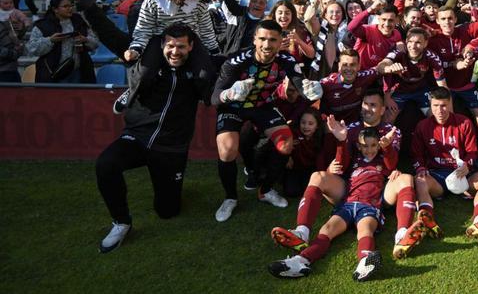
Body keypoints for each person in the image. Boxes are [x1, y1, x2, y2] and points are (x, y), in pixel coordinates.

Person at [95, 24, 214, 253]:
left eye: (181, 46)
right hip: (137, 137)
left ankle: (170, 187)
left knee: (168, 211)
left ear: (191, 47)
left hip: (171, 149)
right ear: (162, 45)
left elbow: (219, 82)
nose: (175, 51)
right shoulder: (147, 66)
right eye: (170, 45)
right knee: (106, 164)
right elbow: (112, 36)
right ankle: (121, 222)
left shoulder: (198, 72)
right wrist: (86, 4)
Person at [212, 19, 323, 222]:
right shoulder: (237, 60)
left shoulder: (286, 59)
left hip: (262, 105)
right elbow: (214, 97)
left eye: (272, 39)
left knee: (285, 143)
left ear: (281, 40)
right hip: (233, 107)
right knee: (228, 149)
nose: (266, 44)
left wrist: (308, 88)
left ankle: (266, 190)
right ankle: (230, 198)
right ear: (254, 39)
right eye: (262, 39)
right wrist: (230, 93)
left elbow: (299, 82)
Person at [267, 126, 391, 281]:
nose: (369, 149)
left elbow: (391, 163)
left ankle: (365, 261)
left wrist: (389, 148)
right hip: (347, 203)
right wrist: (341, 141)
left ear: (379, 145)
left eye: (373, 145)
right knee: (326, 230)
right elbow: (340, 162)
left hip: (369, 205)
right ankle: (299, 261)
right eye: (364, 145)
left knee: (365, 230)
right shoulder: (354, 159)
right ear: (358, 146)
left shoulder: (382, 161)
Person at [412, 87, 478, 238]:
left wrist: (467, 165)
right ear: (430, 105)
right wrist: (420, 168)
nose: (440, 110)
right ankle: (426, 220)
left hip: (462, 175)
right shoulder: (423, 126)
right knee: (420, 180)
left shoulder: (464, 122)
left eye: (443, 105)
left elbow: (472, 151)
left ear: (450, 104)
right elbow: (416, 155)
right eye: (435, 106)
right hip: (437, 178)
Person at [126, 0, 220, 61]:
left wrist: (214, 51)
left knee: (205, 74)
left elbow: (206, 29)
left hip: (190, 43)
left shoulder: (199, 2)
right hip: (161, 43)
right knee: (144, 74)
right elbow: (144, 27)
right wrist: (136, 49)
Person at [27, 0, 98, 83]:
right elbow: (32, 48)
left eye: (71, 5)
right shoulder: (43, 25)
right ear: (55, 9)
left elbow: (95, 42)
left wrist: (85, 40)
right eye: (65, 6)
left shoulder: (79, 21)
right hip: (53, 73)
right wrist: (50, 40)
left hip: (79, 71)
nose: (70, 8)